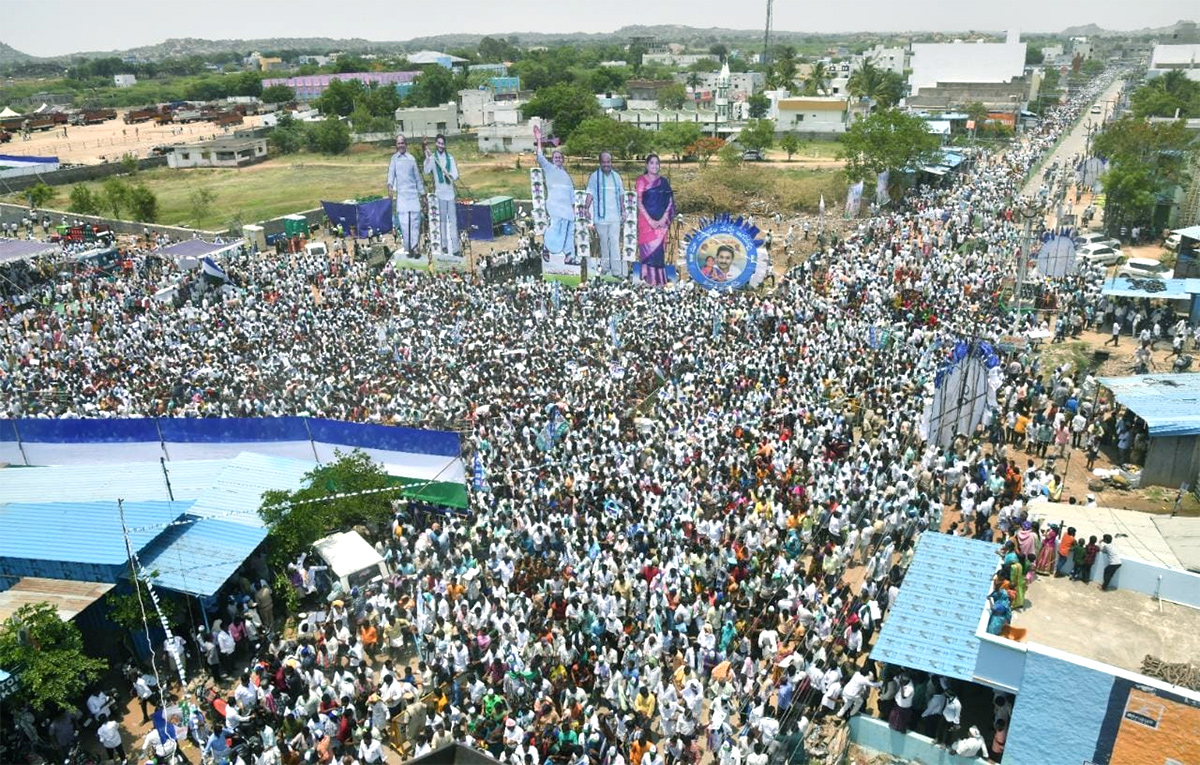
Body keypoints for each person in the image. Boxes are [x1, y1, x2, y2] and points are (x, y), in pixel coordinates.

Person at [534, 123, 578, 266]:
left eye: (560, 157)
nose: (558, 159)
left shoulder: (566, 175)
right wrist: (539, 139)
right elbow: (540, 157)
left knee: (570, 229)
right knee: (556, 228)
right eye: (556, 157)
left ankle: (569, 254)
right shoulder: (549, 168)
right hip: (555, 205)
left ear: (563, 160)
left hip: (567, 208)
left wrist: (573, 209)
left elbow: (571, 194)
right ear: (553, 159)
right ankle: (547, 247)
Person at [585, 150, 627, 278]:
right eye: (604, 162)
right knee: (603, 242)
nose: (606, 164)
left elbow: (621, 195)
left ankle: (616, 271)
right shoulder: (594, 176)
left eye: (608, 162)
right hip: (600, 218)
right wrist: (586, 209)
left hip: (614, 217)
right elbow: (590, 194)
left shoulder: (616, 177)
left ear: (611, 162)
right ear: (600, 163)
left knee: (614, 243)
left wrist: (623, 211)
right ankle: (605, 267)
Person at [636, 153, 675, 286]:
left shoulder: (663, 182)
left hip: (661, 225)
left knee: (658, 252)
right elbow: (639, 202)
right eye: (651, 163)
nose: (654, 166)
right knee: (647, 252)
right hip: (646, 223)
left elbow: (670, 201)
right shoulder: (641, 181)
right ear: (647, 165)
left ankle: (659, 281)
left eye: (657, 163)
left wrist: (663, 218)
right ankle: (647, 280)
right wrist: (650, 220)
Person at [387, 135, 425, 256]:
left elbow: (417, 178)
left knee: (415, 222)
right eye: (398, 143)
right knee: (404, 223)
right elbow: (391, 175)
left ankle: (415, 247)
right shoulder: (394, 159)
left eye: (402, 143)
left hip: (413, 194)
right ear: (396, 146)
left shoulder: (411, 159)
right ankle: (408, 247)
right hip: (402, 195)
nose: (401, 145)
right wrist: (390, 188)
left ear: (406, 144)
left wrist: (422, 194)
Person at [422, 134, 460, 257]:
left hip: (450, 195)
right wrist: (427, 156)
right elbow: (427, 170)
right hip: (440, 195)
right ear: (436, 144)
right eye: (438, 143)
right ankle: (443, 246)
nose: (440, 145)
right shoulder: (433, 158)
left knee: (453, 222)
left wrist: (448, 173)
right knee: (442, 222)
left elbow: (455, 175)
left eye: (442, 143)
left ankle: (456, 248)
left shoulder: (451, 158)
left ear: (445, 145)